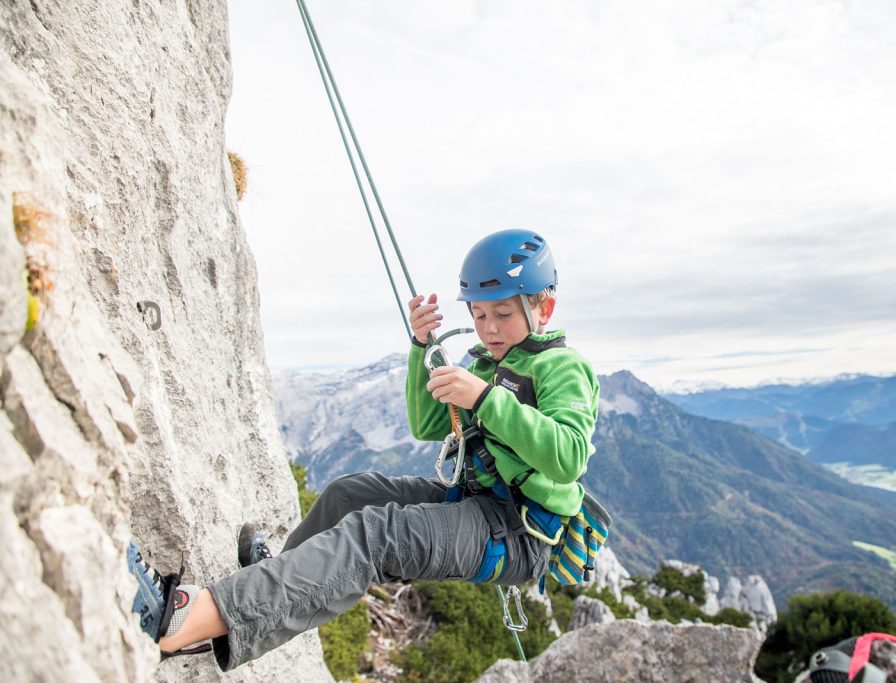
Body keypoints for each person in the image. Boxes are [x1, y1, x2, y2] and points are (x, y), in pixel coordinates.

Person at [131, 228, 600, 671]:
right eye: (478, 314)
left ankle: (180, 617)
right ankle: (270, 583)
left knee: (376, 535)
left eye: (502, 314)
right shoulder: (487, 362)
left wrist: (483, 397)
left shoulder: (562, 368)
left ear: (545, 307)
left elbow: (569, 456)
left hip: (518, 532)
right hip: (479, 504)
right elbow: (429, 423)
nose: (488, 328)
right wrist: (422, 349)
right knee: (349, 495)